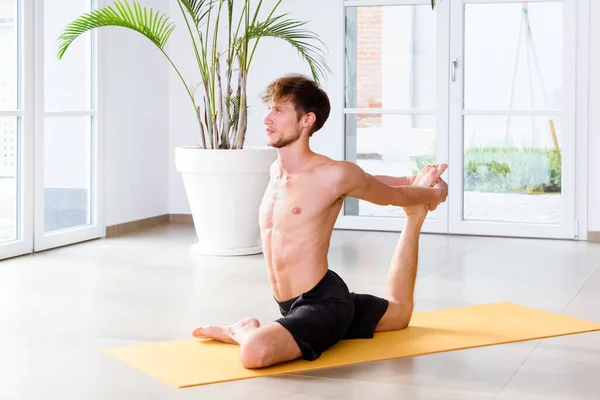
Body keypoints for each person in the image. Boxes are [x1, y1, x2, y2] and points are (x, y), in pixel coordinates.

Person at [191, 74, 448, 369]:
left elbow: (391, 194)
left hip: (323, 305)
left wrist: (433, 192)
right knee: (399, 315)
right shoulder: (276, 171)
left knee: (255, 352)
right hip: (297, 303)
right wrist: (416, 181)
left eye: (279, 111)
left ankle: (243, 330)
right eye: (269, 109)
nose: (267, 119)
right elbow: (380, 181)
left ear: (306, 120)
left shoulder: (335, 174)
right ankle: (416, 216)